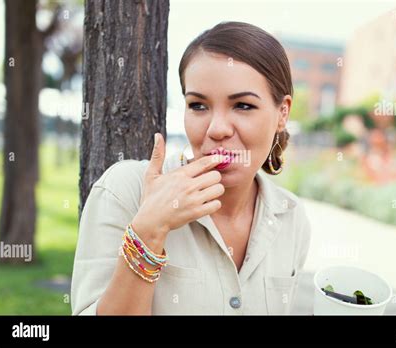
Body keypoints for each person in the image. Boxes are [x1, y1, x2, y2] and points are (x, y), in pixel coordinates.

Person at [71, 21, 311, 315]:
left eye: (243, 106)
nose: (217, 129)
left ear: (282, 113)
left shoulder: (292, 218)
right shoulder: (124, 190)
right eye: (198, 105)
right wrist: (148, 231)